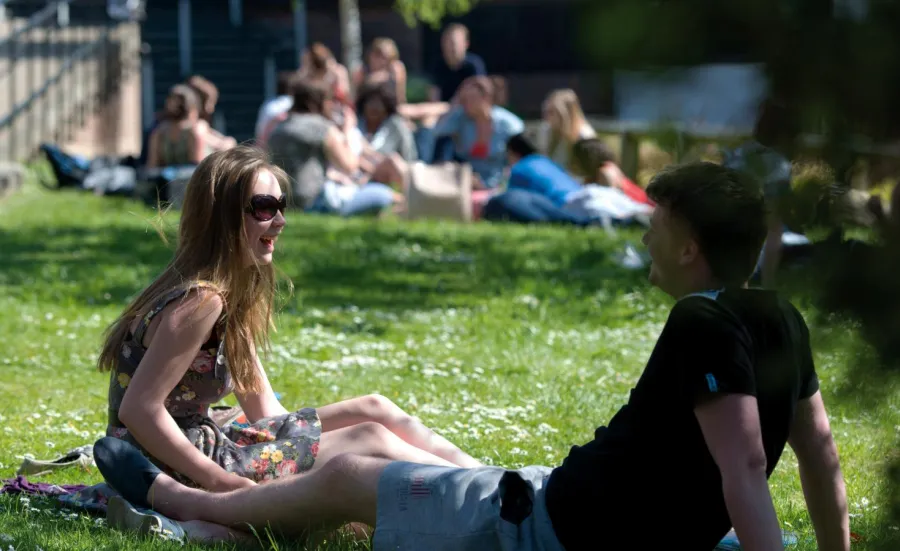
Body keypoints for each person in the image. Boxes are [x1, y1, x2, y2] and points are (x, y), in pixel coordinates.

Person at [94, 161, 850, 551]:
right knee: (364, 454)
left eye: (658, 225)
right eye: (264, 206)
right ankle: (227, 502)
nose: (645, 236)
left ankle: (182, 506)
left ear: (689, 247)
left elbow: (746, 468)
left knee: (357, 470)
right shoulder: (780, 316)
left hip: (547, 527)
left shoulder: (699, 322)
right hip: (561, 504)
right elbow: (820, 455)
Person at [97, 146, 480, 495]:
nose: (280, 221)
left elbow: (264, 410)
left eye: (282, 205)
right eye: (264, 207)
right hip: (173, 465)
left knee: (374, 408)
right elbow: (138, 410)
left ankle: (490, 478)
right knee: (368, 437)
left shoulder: (225, 293)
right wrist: (223, 483)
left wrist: (292, 440)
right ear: (223, 217)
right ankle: (486, 498)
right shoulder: (201, 301)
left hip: (202, 442)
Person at [536, 89, 596, 173]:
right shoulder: (546, 130)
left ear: (565, 115)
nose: (546, 117)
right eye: (546, 112)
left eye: (551, 112)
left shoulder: (584, 136)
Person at [429, 23, 486, 103]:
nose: (451, 47)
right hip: (442, 109)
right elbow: (434, 94)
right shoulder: (439, 65)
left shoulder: (473, 65)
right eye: (447, 42)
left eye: (454, 43)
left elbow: (476, 97)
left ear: (466, 44)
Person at [352, 37, 407, 105]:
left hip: (390, 109)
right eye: (377, 55)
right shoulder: (361, 70)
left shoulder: (396, 68)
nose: (381, 61)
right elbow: (355, 97)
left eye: (385, 57)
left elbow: (400, 98)